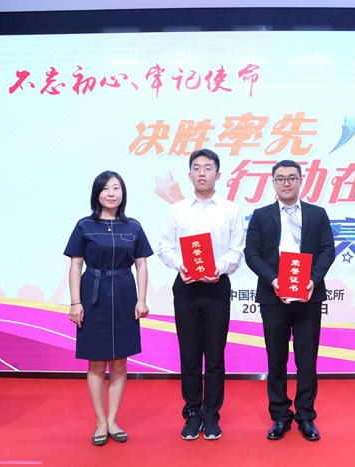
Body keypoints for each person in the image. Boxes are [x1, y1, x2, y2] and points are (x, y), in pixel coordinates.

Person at [244, 160, 335, 441]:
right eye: (281, 178)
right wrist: (274, 281)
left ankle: (305, 415)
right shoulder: (261, 215)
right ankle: (280, 415)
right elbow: (252, 254)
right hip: (273, 297)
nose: (286, 183)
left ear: (300, 181)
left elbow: (328, 251)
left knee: (307, 359)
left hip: (308, 296)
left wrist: (313, 280)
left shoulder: (317, 214)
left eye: (292, 178)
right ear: (273, 182)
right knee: (276, 358)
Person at [157, 149, 245, 441]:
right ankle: (193, 413)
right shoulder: (178, 210)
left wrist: (219, 269)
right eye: (197, 168)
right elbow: (165, 247)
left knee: (215, 355)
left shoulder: (230, 209)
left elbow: (237, 250)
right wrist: (179, 265)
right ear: (189, 174)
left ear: (218, 174)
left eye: (208, 168)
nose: (202, 173)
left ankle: (211, 415)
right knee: (190, 354)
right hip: (186, 286)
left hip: (217, 286)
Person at [64, 171, 152, 446]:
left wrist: (141, 299)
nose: (111, 193)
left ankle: (113, 419)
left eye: (116, 188)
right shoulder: (85, 225)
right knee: (96, 362)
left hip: (125, 294)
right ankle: (100, 421)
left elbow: (141, 265)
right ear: (97, 193)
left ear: (123, 193)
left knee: (120, 362)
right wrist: (75, 302)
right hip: (93, 295)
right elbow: (76, 265)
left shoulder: (133, 226)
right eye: (105, 188)